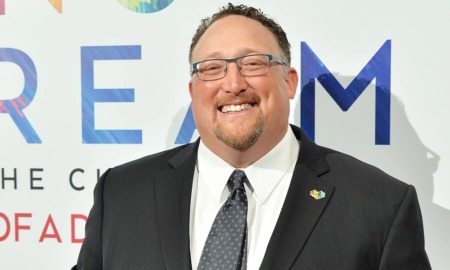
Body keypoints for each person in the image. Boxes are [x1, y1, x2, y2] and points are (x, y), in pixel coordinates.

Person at [73, 3, 431, 270]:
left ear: (289, 82)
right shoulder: (120, 194)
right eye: (212, 68)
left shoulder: (379, 207)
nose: (233, 83)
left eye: (253, 63)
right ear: (193, 89)